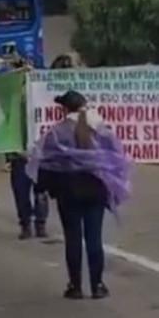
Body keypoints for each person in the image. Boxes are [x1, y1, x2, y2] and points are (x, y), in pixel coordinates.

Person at [30, 90, 132, 300]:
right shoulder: (102, 130)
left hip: (68, 190)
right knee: (94, 238)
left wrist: (44, 189)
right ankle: (98, 285)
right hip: (95, 189)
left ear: (64, 109)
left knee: (73, 238)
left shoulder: (57, 132)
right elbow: (116, 158)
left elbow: (45, 162)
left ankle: (75, 287)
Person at [7, 151, 49, 240]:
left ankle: (41, 223)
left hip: (39, 159)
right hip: (19, 160)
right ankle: (25, 224)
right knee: (21, 193)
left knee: (41, 193)